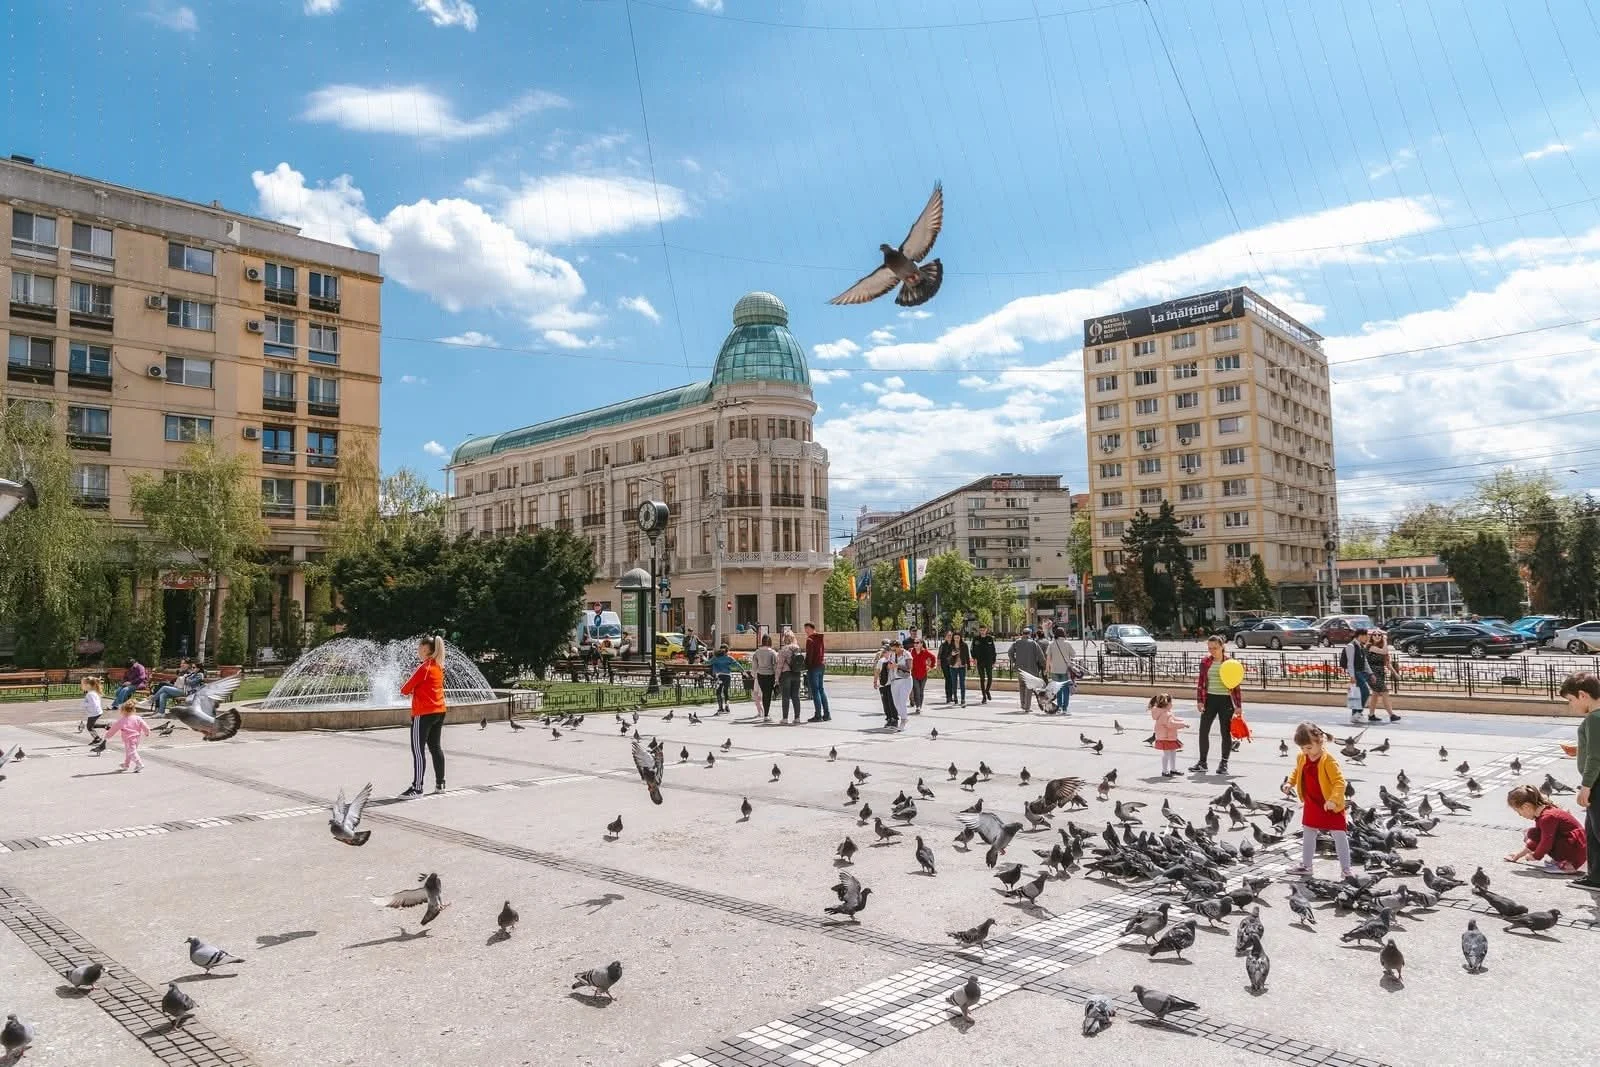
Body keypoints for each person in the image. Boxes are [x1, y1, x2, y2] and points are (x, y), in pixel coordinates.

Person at [1281, 722, 1353, 878]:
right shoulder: (1302, 757)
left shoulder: (1328, 760)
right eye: (1302, 748)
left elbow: (1340, 782)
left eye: (1309, 747)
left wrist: (1333, 800)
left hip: (1330, 804)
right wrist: (1290, 783)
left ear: (1320, 741)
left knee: (1339, 834)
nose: (1306, 751)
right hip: (1312, 802)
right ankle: (1306, 866)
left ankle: (1346, 869)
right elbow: (1297, 771)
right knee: (1308, 832)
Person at [1559, 671, 1600, 889]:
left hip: (1597, 783)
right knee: (1592, 832)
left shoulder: (1594, 718)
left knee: (1597, 831)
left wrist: (1586, 787)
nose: (1571, 705)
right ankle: (1595, 877)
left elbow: (1595, 757)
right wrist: (1580, 749)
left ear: (1583, 695)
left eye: (1571, 700)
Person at [399, 634, 448, 797]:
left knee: (418, 751)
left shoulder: (424, 668)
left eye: (419, 647)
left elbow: (405, 689)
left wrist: (410, 687)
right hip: (439, 711)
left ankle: (417, 787)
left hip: (423, 713)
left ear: (426, 649)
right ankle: (440, 784)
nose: (417, 650)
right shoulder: (438, 667)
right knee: (435, 748)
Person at [1504, 784, 1587, 874]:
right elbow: (1537, 839)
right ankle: (1565, 861)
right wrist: (1518, 855)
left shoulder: (1547, 817)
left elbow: (1546, 842)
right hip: (1576, 847)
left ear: (1526, 806)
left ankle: (1568, 865)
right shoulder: (1544, 813)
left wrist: (1536, 856)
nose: (1520, 815)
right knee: (1534, 833)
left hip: (1576, 849)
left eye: (1519, 811)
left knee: (1534, 834)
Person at [1192, 634, 1242, 775]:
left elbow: (1236, 685)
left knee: (1225, 732)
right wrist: (1200, 701)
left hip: (1225, 700)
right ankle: (1202, 762)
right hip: (1209, 699)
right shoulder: (1205, 662)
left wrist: (1238, 705)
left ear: (1222, 647)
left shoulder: (1230, 663)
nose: (1212, 651)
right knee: (1203, 731)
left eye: (1215, 648)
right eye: (1210, 648)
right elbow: (1201, 682)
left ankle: (1224, 763)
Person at [1360, 631, 1402, 723]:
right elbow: (1384, 651)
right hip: (1372, 673)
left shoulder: (1382, 647)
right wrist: (1385, 640)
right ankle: (1391, 715)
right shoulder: (1370, 647)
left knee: (1375, 694)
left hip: (1380, 673)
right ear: (1372, 637)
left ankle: (1371, 715)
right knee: (1385, 692)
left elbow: (1387, 663)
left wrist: (1395, 673)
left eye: (1379, 635)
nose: (1377, 636)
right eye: (1375, 635)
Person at [102, 700, 152, 773]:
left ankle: (139, 763)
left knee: (131, 752)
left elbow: (113, 729)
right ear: (133, 710)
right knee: (129, 752)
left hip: (128, 739)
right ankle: (126, 765)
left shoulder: (121, 720)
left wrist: (107, 736)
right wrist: (147, 732)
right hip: (137, 738)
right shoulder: (138, 718)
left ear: (123, 711)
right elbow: (145, 726)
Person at [1149, 692, 1188, 778]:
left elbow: (1173, 719)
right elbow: (1171, 724)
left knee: (1172, 753)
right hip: (1166, 737)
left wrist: (1182, 722)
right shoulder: (1166, 714)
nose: (1172, 704)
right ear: (1167, 704)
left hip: (1167, 736)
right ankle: (1165, 771)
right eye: (1171, 703)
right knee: (1167, 754)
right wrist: (1183, 724)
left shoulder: (1166, 712)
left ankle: (1173, 769)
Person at [1009, 626, 1046, 712]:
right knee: (1029, 688)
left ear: (1022, 634)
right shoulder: (1033, 643)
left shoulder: (1017, 642)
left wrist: (1014, 661)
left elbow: (1010, 652)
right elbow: (1041, 656)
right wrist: (1044, 666)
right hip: (1031, 669)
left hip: (1020, 669)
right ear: (1030, 634)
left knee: (1022, 686)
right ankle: (1027, 707)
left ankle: (1023, 704)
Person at [1342, 629, 1375, 724]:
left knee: (1358, 694)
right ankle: (1357, 713)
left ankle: (1355, 715)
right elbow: (1350, 663)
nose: (1367, 638)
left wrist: (1371, 673)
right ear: (1360, 636)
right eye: (1366, 636)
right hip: (1356, 673)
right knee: (1365, 692)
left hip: (1361, 672)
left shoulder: (1360, 646)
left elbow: (1365, 661)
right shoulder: (1351, 646)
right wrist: (1352, 676)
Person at [803, 622, 831, 722]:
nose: (805, 631)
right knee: (821, 689)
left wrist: (806, 665)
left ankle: (818, 715)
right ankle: (827, 714)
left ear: (811, 628)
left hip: (813, 667)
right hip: (821, 665)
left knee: (815, 691)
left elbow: (809, 655)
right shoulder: (820, 638)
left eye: (806, 629)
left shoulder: (810, 640)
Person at [1045, 626, 1076, 713]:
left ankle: (1059, 707)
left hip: (1054, 670)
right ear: (1064, 634)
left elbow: (1048, 658)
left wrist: (1047, 669)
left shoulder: (1051, 644)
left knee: (1057, 689)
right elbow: (1073, 655)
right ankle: (1065, 708)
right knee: (1065, 689)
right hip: (1065, 670)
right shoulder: (1068, 644)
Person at [776, 632, 804, 725]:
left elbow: (779, 665)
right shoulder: (797, 648)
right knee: (796, 696)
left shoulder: (783, 649)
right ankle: (797, 718)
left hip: (786, 674)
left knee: (786, 697)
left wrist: (777, 678)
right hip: (796, 673)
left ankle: (785, 718)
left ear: (784, 639)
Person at [705, 644, 740, 714]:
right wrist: (743, 672)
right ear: (727, 651)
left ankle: (720, 708)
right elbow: (737, 664)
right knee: (725, 691)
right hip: (727, 676)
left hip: (719, 676)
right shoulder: (729, 658)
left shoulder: (716, 658)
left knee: (718, 691)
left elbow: (708, 662)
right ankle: (727, 706)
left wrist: (703, 658)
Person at [751, 633, 779, 722]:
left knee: (764, 694)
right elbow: (775, 666)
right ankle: (766, 714)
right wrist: (777, 677)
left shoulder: (757, 652)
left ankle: (765, 714)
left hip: (760, 675)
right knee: (768, 695)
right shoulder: (772, 652)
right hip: (770, 675)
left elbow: (754, 666)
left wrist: (754, 675)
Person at [887, 639, 913, 730]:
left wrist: (897, 665)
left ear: (899, 647)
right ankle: (904, 717)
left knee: (902, 701)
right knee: (896, 703)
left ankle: (903, 720)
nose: (893, 651)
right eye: (892, 649)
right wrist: (890, 666)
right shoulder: (892, 655)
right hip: (895, 680)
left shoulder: (907, 654)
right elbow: (889, 665)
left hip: (905, 680)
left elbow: (909, 667)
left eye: (895, 649)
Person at [873, 641, 898, 729]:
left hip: (892, 685)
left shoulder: (894, 660)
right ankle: (889, 719)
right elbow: (877, 671)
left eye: (885, 651)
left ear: (890, 651)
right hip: (883, 685)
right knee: (885, 703)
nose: (883, 653)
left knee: (892, 703)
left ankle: (894, 719)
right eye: (883, 652)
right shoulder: (881, 661)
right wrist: (875, 681)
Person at [908, 637, 936, 713]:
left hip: (923, 675)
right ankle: (918, 706)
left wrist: (931, 667)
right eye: (914, 643)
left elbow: (933, 658)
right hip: (914, 674)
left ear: (921, 644)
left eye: (917, 643)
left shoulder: (925, 652)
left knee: (921, 691)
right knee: (916, 690)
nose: (915, 644)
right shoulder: (911, 651)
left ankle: (920, 705)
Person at [971, 625, 997, 704]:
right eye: (981, 630)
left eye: (983, 630)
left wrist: (994, 660)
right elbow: (972, 649)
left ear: (986, 630)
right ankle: (984, 697)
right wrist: (974, 658)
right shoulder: (976, 639)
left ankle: (987, 690)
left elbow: (993, 650)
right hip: (980, 661)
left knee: (990, 677)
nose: (982, 631)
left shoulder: (990, 638)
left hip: (988, 661)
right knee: (982, 679)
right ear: (979, 630)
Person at [78, 675, 105, 740]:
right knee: (91, 725)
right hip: (97, 712)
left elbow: (93, 704)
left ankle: (97, 738)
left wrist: (84, 704)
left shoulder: (90, 694)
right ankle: (106, 726)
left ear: (88, 685)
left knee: (89, 727)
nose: (82, 686)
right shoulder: (93, 692)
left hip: (94, 713)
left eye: (83, 685)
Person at [949, 632, 971, 707]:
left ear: (960, 638)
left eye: (958, 637)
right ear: (953, 638)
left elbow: (967, 655)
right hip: (953, 666)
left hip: (962, 666)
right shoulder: (951, 645)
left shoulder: (964, 645)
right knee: (954, 683)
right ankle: (955, 699)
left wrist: (968, 666)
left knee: (962, 683)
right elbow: (947, 656)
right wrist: (952, 654)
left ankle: (963, 700)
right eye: (955, 638)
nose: (956, 639)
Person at [937, 630, 957, 704]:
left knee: (953, 680)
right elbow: (939, 656)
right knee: (948, 679)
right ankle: (948, 697)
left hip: (953, 664)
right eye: (948, 635)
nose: (949, 637)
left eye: (950, 635)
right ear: (945, 637)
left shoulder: (954, 644)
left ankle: (952, 695)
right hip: (945, 664)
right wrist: (938, 665)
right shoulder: (943, 645)